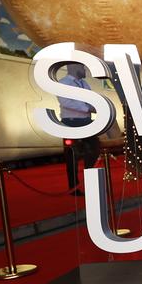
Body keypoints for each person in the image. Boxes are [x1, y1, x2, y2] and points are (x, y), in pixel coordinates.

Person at [57, 63, 101, 194]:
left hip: (86, 121)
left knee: (94, 149)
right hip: (71, 123)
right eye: (82, 67)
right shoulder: (64, 83)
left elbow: (92, 99)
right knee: (72, 156)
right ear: (74, 68)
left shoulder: (84, 84)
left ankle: (90, 181)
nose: (85, 70)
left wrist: (95, 106)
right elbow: (65, 102)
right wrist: (88, 108)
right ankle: (74, 188)